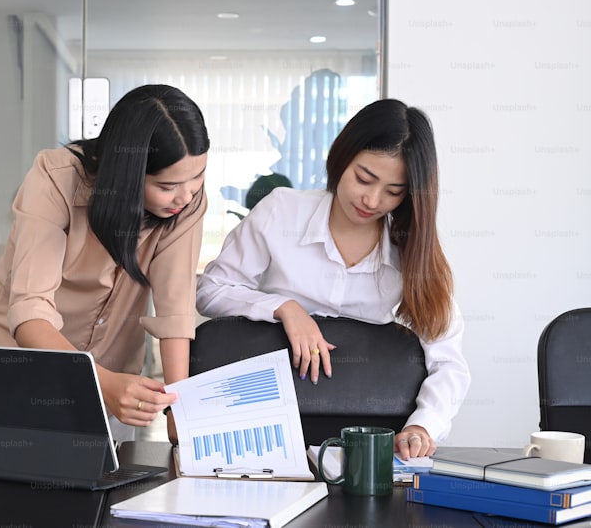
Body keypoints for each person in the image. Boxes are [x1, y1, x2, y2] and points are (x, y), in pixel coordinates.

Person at [196, 98, 470, 460]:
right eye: (364, 178)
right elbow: (210, 291)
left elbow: (448, 360)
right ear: (343, 156)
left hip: (368, 440)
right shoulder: (282, 211)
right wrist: (285, 308)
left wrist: (423, 425)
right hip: (266, 426)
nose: (372, 200)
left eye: (393, 191)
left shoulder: (412, 252)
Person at [0, 84, 210, 443]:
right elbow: (29, 313)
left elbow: (175, 312)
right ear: (127, 173)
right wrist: (102, 383)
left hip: (113, 379)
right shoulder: (56, 177)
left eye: (198, 178)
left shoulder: (186, 201)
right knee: (7, 495)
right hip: (14, 369)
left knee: (104, 493)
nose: (187, 195)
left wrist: (181, 411)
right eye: (167, 186)